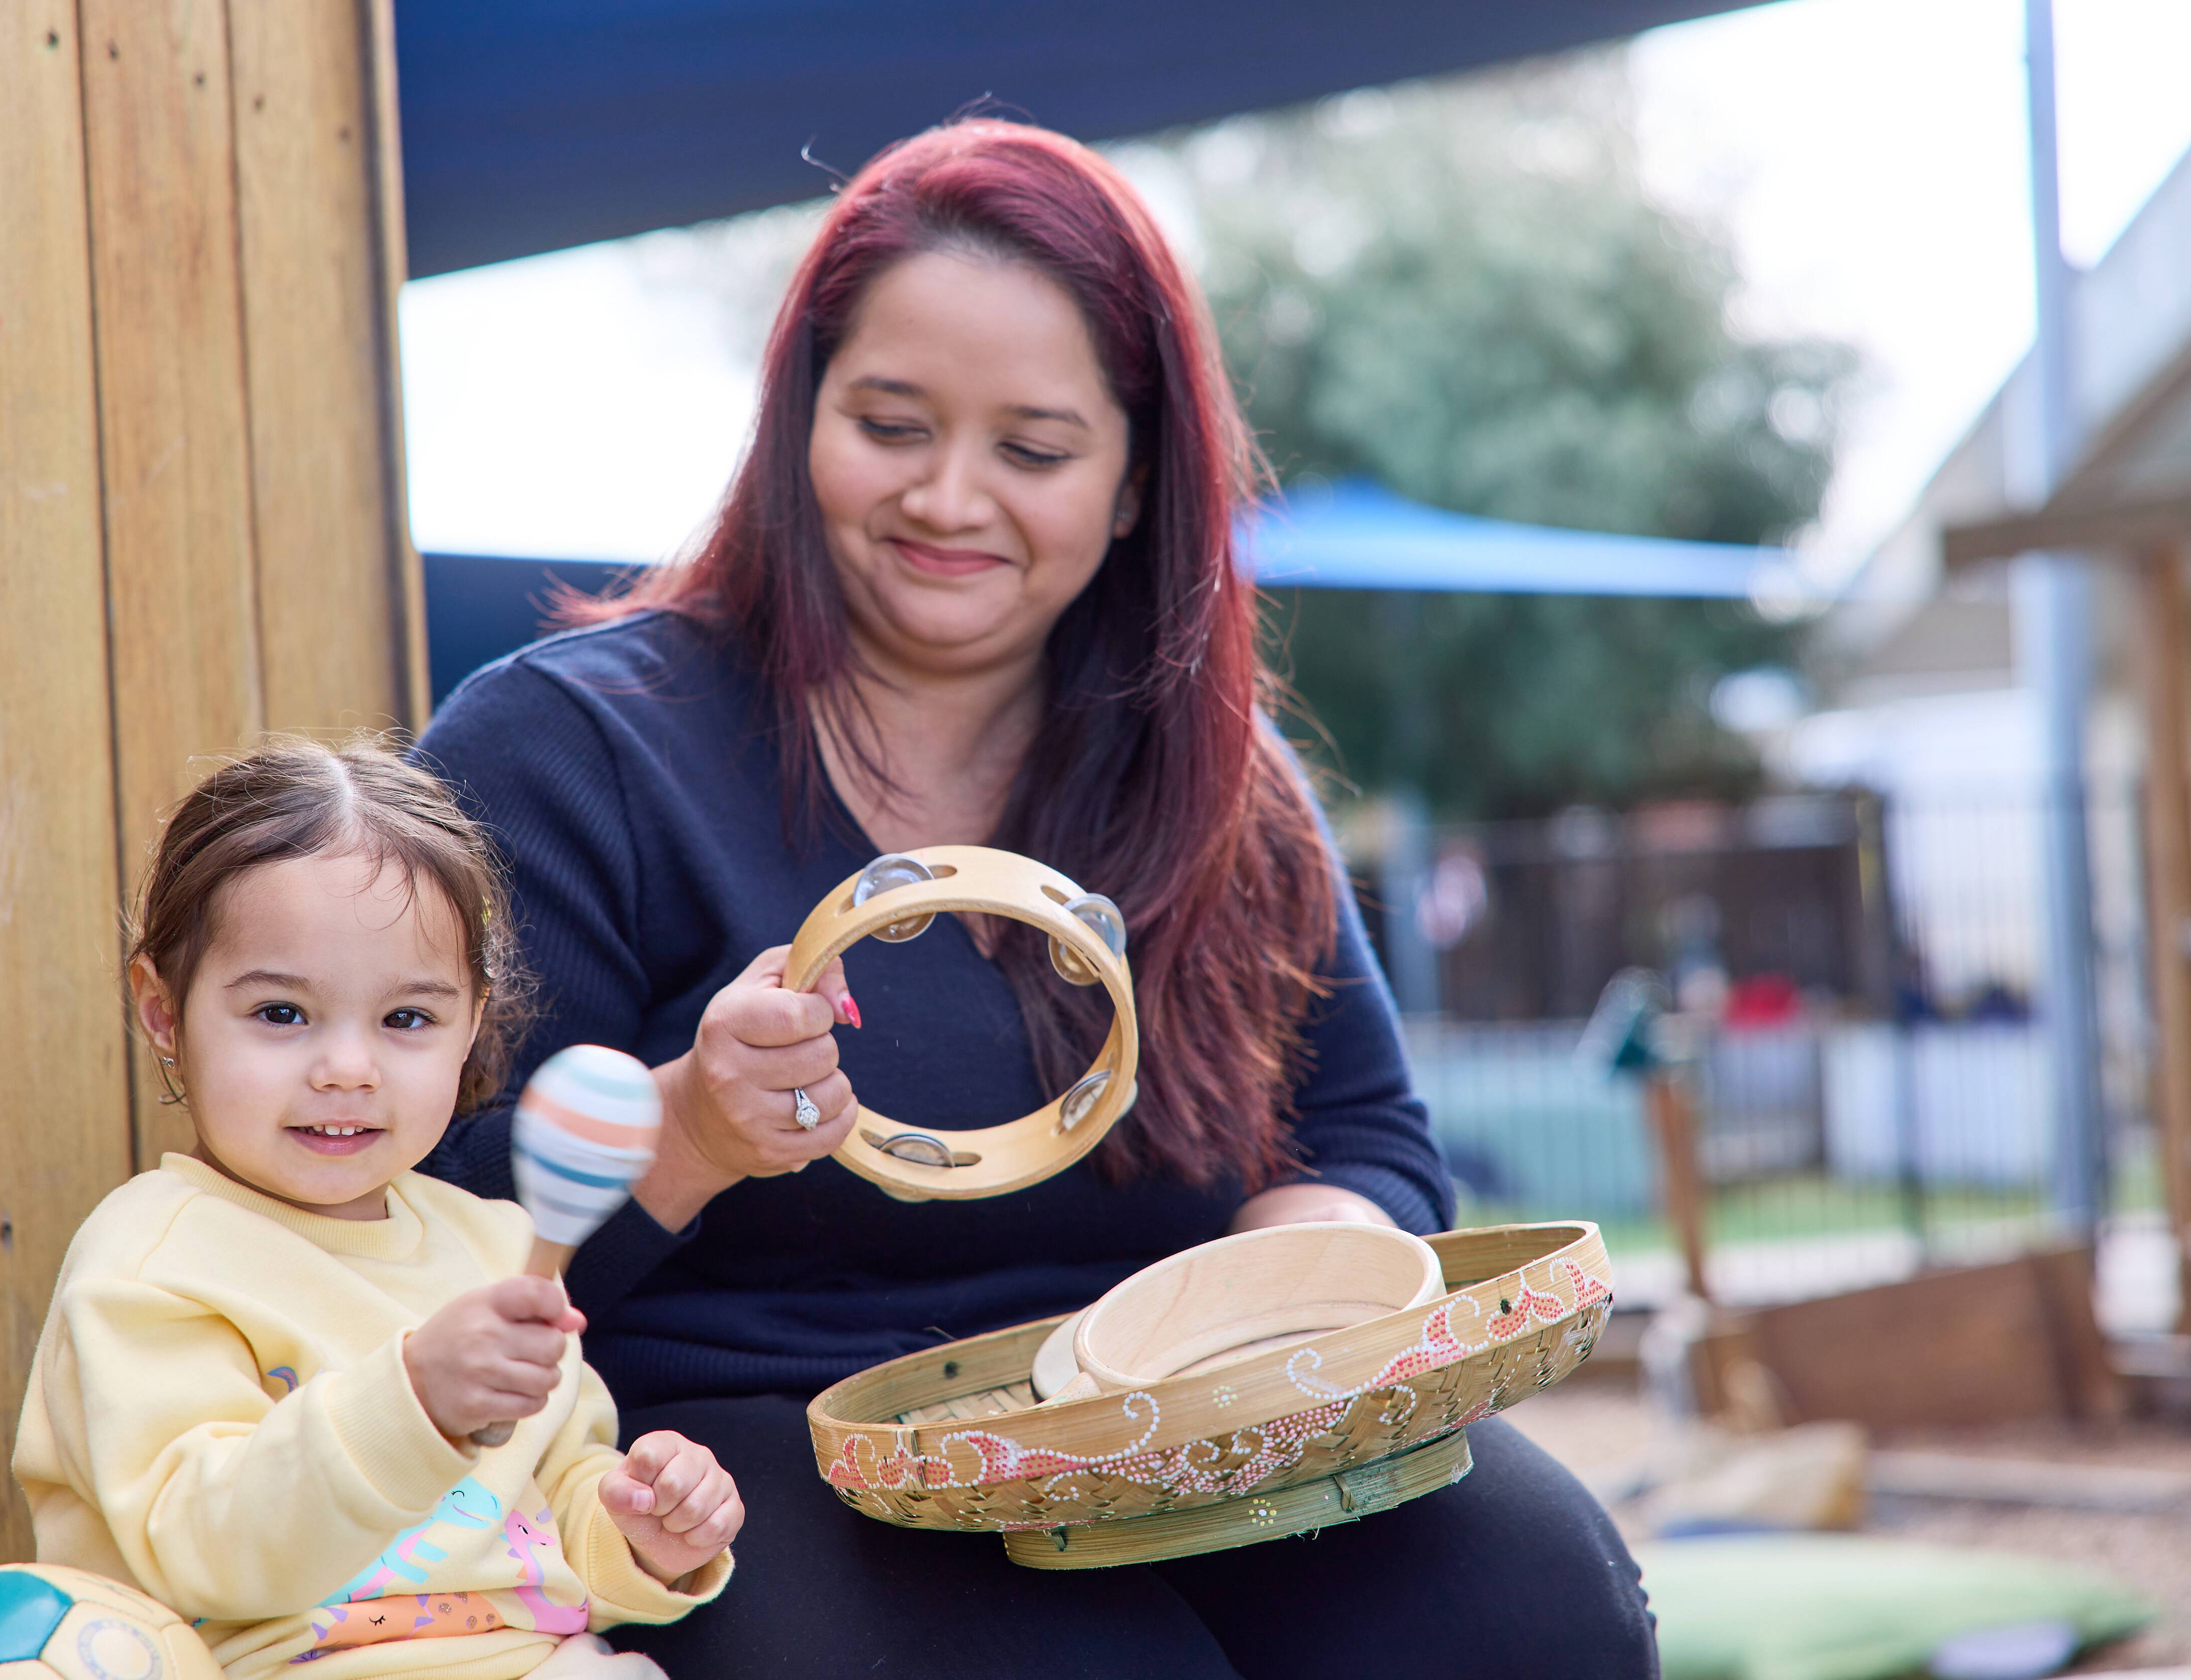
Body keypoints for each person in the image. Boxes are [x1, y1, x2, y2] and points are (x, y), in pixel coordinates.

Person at [417, 120, 1656, 1677]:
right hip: (733, 1443)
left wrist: (1282, 1295)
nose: (950, 498)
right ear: (799, 418)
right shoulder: (571, 749)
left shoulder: (1224, 776)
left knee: (1533, 1602)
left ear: (1139, 484)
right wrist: (693, 1129)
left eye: (1035, 448)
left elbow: (1371, 1138)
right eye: (890, 422)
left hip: (1165, 1427)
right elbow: (410, 1232)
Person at [12, 739, 739, 1679]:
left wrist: (644, 1530)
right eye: (281, 1013)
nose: (348, 1068)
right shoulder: (150, 1260)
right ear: (163, 1009)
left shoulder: (495, 1242)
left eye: (406, 1020)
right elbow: (204, 1547)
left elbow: (553, 1497)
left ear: (472, 1021)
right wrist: (416, 1401)